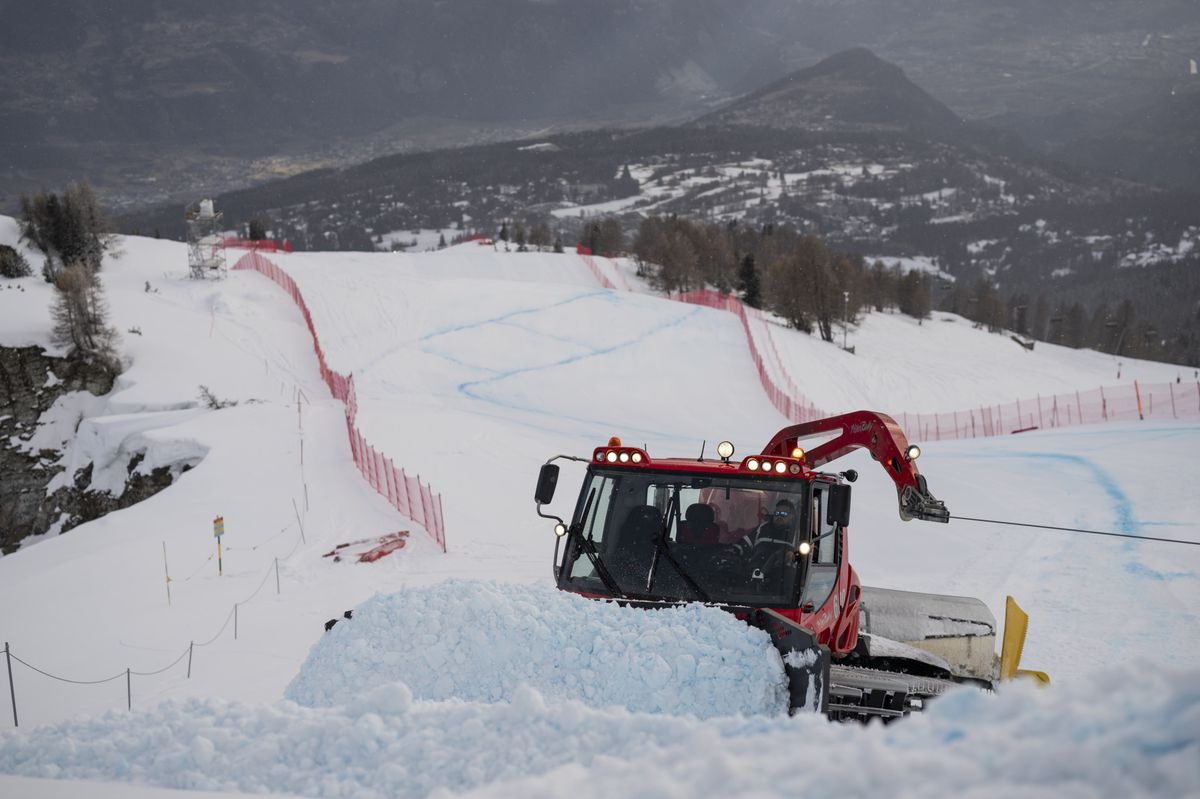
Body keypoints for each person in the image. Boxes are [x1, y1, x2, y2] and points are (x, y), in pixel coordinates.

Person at [733, 499, 798, 560]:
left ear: (791, 517)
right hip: (756, 566)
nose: (779, 516)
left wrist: (792, 558)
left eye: (783, 514)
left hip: (781, 567)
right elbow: (745, 544)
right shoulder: (763, 527)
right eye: (777, 513)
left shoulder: (796, 534)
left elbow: (800, 559)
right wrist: (734, 551)